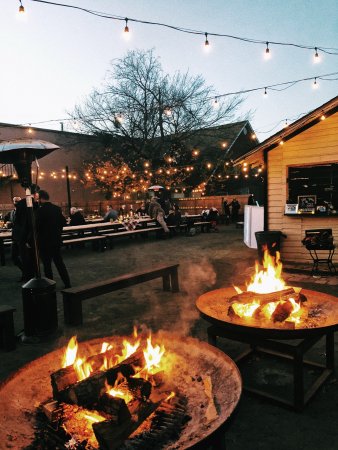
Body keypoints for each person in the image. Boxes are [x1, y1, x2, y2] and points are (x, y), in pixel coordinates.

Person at [36, 190, 71, 288]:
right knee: (59, 263)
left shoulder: (40, 211)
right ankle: (67, 283)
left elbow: (36, 226)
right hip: (56, 240)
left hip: (44, 242)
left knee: (47, 266)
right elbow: (63, 222)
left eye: (38, 198)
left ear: (41, 198)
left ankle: (50, 285)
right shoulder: (56, 209)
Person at [5, 197, 23, 278]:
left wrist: (12, 224)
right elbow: (11, 222)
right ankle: (25, 271)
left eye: (18, 201)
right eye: (15, 201)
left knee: (24, 257)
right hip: (14, 237)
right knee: (14, 257)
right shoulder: (12, 212)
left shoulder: (24, 212)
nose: (16, 203)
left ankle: (27, 274)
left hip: (22, 238)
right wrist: (8, 224)